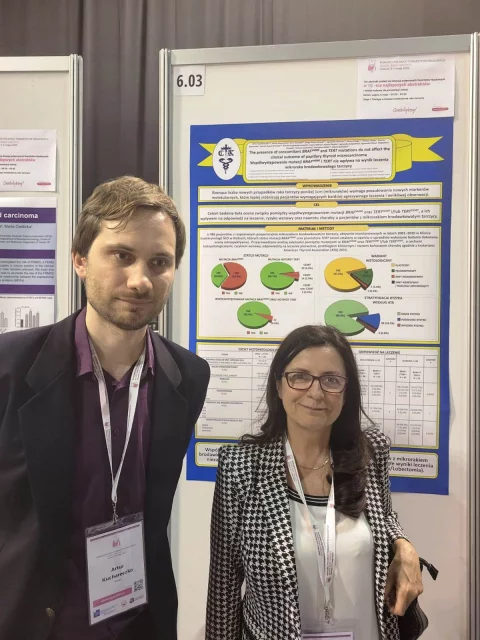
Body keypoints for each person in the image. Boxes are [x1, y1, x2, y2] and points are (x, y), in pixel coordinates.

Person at [0, 176, 210, 640]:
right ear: (79, 260)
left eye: (159, 262)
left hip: (138, 621)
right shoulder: (11, 366)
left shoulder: (188, 376)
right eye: (121, 255)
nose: (140, 280)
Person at [206, 324, 423, 640]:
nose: (316, 393)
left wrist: (404, 546)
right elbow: (223, 589)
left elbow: (385, 518)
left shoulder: (370, 453)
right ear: (279, 386)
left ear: (346, 392)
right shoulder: (241, 468)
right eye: (300, 377)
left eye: (331, 380)